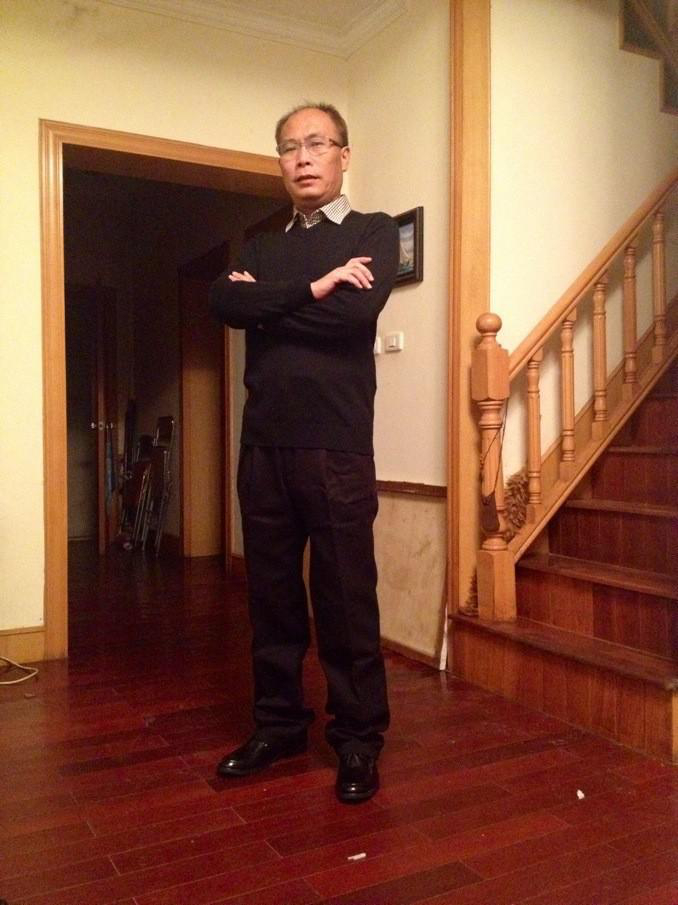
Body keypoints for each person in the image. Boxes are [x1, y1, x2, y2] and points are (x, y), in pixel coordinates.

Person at [209, 103, 399, 803]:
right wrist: (316, 286)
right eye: (289, 147)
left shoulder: (374, 231)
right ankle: (280, 724)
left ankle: (357, 739)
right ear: (280, 164)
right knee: (272, 599)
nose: (303, 157)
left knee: (346, 599)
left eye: (317, 143)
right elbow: (225, 305)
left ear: (344, 154)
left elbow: (353, 315)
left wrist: (271, 306)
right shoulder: (260, 246)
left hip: (336, 446)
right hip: (263, 446)